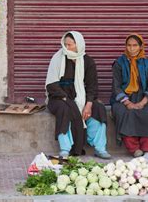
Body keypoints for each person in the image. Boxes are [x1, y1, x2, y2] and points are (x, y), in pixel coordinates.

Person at [45, 31, 111, 159]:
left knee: (99, 109)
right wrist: (66, 98)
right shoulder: (58, 58)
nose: (67, 48)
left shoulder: (88, 61)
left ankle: (99, 147)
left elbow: (92, 86)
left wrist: (89, 104)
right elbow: (51, 85)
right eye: (65, 45)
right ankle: (65, 148)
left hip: (81, 96)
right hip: (59, 96)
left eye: (70, 45)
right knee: (66, 109)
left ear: (79, 44)